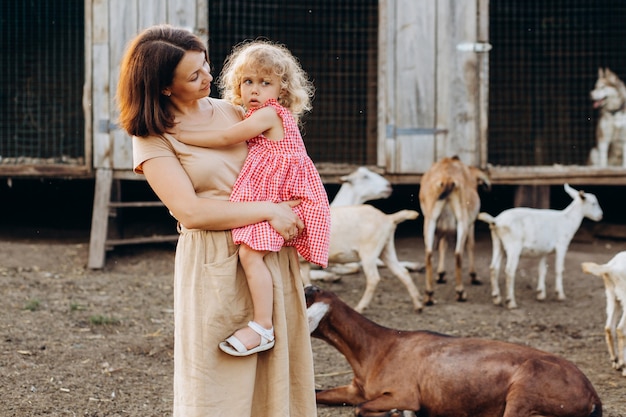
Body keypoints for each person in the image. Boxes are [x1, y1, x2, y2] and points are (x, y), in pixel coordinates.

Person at [116, 24, 318, 417]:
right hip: (213, 258)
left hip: (265, 250)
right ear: (163, 88)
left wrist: (294, 205)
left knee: (275, 384)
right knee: (218, 385)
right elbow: (190, 211)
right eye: (194, 75)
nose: (210, 76)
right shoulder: (152, 137)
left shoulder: (234, 110)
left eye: (206, 64)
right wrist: (269, 210)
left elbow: (282, 159)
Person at [176, 40, 330, 357]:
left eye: (265, 82)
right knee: (252, 254)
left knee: (250, 255)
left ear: (282, 90)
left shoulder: (270, 114)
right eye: (248, 82)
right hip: (277, 199)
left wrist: (182, 136)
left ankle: (263, 327)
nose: (255, 90)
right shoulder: (261, 114)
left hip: (288, 199)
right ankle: (264, 324)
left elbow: (224, 138)